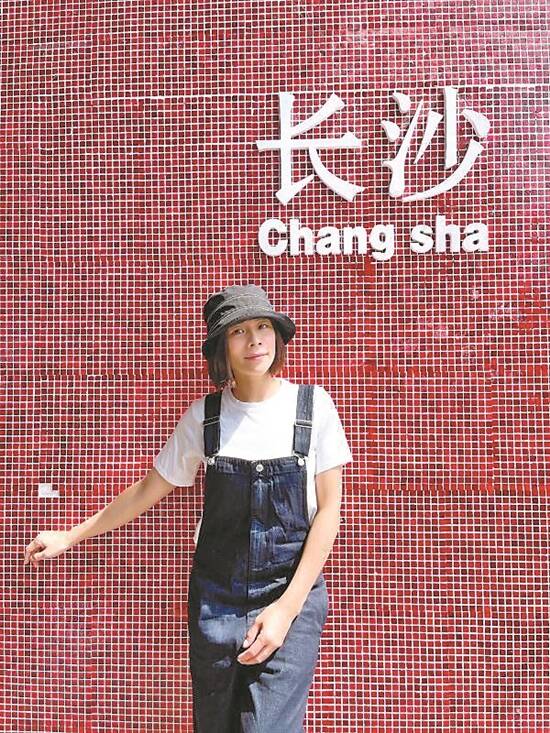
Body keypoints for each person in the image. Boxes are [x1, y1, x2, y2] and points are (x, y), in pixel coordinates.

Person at [23, 284, 353, 732]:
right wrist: (70, 535)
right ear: (222, 348)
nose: (254, 340)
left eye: (263, 327)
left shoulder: (312, 408)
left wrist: (286, 609)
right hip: (217, 601)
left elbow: (329, 513)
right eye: (238, 331)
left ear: (277, 337)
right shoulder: (205, 417)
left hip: (289, 595)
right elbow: (148, 489)